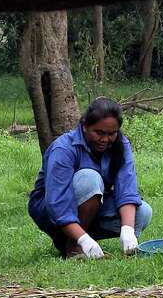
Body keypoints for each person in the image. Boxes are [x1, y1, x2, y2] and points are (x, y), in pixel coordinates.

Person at [28, 97, 153, 259]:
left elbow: (127, 189)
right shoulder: (64, 148)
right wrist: (83, 240)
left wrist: (127, 231)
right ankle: (73, 243)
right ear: (85, 126)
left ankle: (80, 237)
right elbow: (57, 204)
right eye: (99, 133)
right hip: (51, 211)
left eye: (111, 134)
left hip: (91, 207)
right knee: (90, 179)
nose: (105, 139)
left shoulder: (121, 145)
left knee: (143, 212)